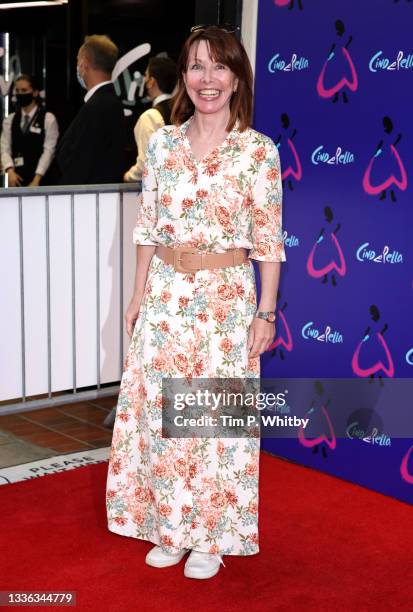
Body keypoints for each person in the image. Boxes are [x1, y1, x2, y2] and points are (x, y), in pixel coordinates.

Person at [106, 25, 286, 580]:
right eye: (196, 67)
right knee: (163, 416)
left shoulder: (258, 152)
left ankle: (211, 533)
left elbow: (269, 240)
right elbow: (147, 228)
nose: (207, 79)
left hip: (226, 301)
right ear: (183, 77)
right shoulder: (162, 143)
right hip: (165, 295)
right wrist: (137, 295)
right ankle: (170, 524)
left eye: (219, 67)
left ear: (236, 78)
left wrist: (266, 312)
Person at [57, 34, 126, 185]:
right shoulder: (111, 102)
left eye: (77, 61)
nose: (77, 67)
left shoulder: (96, 107)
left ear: (85, 64)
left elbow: (79, 164)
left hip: (86, 201)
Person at [123, 56, 177, 183]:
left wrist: (128, 176)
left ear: (151, 81)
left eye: (146, 75)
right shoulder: (187, 113)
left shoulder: (150, 117)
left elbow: (146, 164)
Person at [0, 74, 59, 187]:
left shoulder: (48, 118)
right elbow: (5, 148)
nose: (20, 94)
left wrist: (37, 178)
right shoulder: (10, 120)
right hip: (17, 180)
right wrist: (10, 171)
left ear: (35, 92)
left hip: (43, 181)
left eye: (24, 90)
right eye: (17, 90)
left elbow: (49, 151)